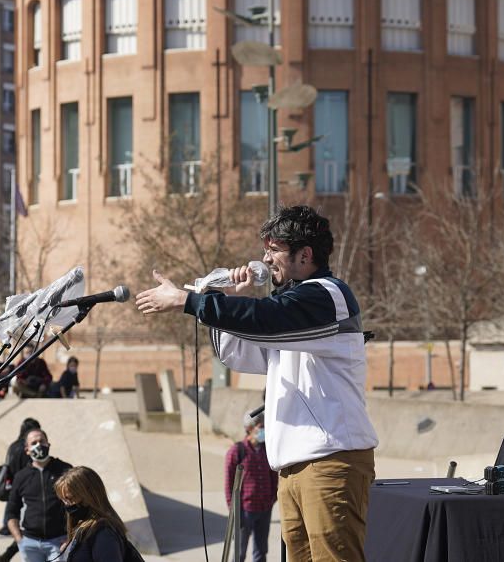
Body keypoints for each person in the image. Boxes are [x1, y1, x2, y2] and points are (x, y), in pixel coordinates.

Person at [137, 205, 379, 561]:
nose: (265, 258)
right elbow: (240, 353)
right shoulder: (290, 310)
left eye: (273, 250)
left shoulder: (328, 295)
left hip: (331, 462)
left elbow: (265, 319)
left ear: (304, 254)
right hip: (293, 466)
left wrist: (187, 300)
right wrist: (232, 295)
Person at [4, 429, 72, 562]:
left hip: (59, 542)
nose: (39, 445)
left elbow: (78, 505)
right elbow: (11, 512)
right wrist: (19, 540)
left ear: (48, 444)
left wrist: (71, 537)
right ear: (27, 450)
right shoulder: (21, 477)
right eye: (34, 442)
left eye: (42, 441)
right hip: (30, 543)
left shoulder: (65, 470)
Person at [225, 411, 279, 562]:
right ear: (249, 428)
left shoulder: (266, 450)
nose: (263, 431)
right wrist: (234, 510)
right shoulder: (237, 451)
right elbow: (229, 484)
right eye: (261, 427)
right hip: (244, 511)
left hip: (264, 510)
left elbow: (273, 477)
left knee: (261, 552)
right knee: (239, 553)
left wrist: (271, 499)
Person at [54, 466, 132, 562]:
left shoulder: (103, 533)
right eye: (64, 500)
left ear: (89, 496)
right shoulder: (85, 526)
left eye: (70, 499)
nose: (67, 505)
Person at [0, 418, 41, 562]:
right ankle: (8, 554)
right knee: (29, 528)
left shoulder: (13, 446)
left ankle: (7, 549)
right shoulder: (26, 448)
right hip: (26, 489)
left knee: (14, 515)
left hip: (14, 486)